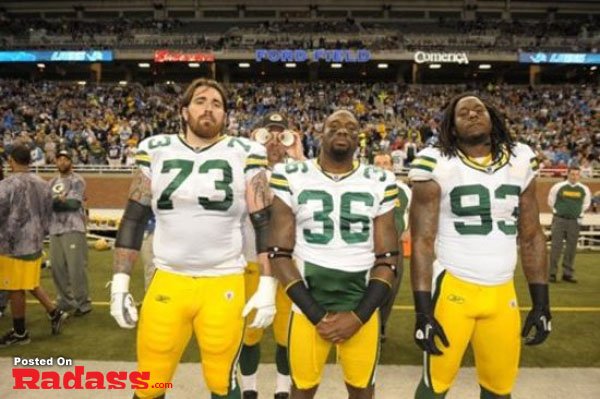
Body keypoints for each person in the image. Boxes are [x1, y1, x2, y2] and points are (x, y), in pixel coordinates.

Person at [109, 78, 277, 399]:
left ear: (225, 115)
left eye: (217, 104)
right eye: (201, 101)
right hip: (168, 278)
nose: (209, 109)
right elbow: (134, 218)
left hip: (224, 281)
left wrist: (268, 286)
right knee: (150, 381)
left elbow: (264, 223)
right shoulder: (155, 149)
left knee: (220, 379)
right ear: (184, 111)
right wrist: (119, 283)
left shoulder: (246, 152)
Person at [409, 93, 551, 398]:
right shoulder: (435, 162)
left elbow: (531, 235)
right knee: (436, 384)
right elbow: (421, 241)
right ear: (451, 126)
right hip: (453, 289)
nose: (472, 115)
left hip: (502, 293)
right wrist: (422, 311)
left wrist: (542, 302)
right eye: (463, 113)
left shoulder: (520, 158)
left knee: (499, 387)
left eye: (479, 110)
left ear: (492, 117)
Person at [268, 109, 399, 399]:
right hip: (307, 306)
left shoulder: (380, 180)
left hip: (360, 304)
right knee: (301, 390)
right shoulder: (290, 175)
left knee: (362, 391)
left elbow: (388, 257)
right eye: (335, 126)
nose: (343, 131)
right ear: (320, 133)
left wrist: (358, 316)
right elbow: (278, 252)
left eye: (351, 129)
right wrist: (317, 315)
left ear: (359, 140)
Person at [240, 112, 304, 399]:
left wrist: (298, 156)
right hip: (254, 259)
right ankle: (250, 387)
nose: (275, 141)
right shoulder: (246, 166)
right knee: (251, 330)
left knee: (286, 333)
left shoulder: (299, 171)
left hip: (289, 262)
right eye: (269, 134)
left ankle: (281, 389)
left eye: (282, 135)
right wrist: (252, 150)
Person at [0, 145, 67, 346]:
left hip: (12, 245)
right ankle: (55, 312)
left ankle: (20, 333)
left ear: (11, 160)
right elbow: (49, 212)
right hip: (35, 242)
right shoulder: (43, 183)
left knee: (15, 287)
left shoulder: (7, 185)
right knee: (28, 281)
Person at [372, 152, 411, 342]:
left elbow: (412, 213)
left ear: (391, 167)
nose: (381, 166)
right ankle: (366, 324)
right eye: (377, 163)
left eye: (385, 163)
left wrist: (409, 229)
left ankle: (381, 326)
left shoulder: (404, 190)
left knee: (391, 287)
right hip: (368, 244)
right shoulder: (363, 187)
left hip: (395, 246)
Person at [49, 150, 92, 316]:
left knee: (76, 268)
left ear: (70, 162)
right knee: (57, 268)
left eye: (65, 159)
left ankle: (83, 304)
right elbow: (47, 204)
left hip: (73, 227)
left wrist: (56, 203)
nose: (61, 162)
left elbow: (73, 204)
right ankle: (65, 301)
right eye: (59, 159)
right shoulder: (51, 181)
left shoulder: (77, 180)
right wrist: (57, 201)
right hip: (55, 229)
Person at [547, 166, 591, 283]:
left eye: (577, 174)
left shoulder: (584, 189)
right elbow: (551, 201)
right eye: (572, 174)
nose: (574, 176)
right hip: (559, 220)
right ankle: (552, 273)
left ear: (579, 175)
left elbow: (586, 204)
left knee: (571, 248)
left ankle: (567, 274)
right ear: (568, 174)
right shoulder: (558, 187)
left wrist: (578, 213)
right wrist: (557, 212)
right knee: (556, 247)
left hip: (574, 221)